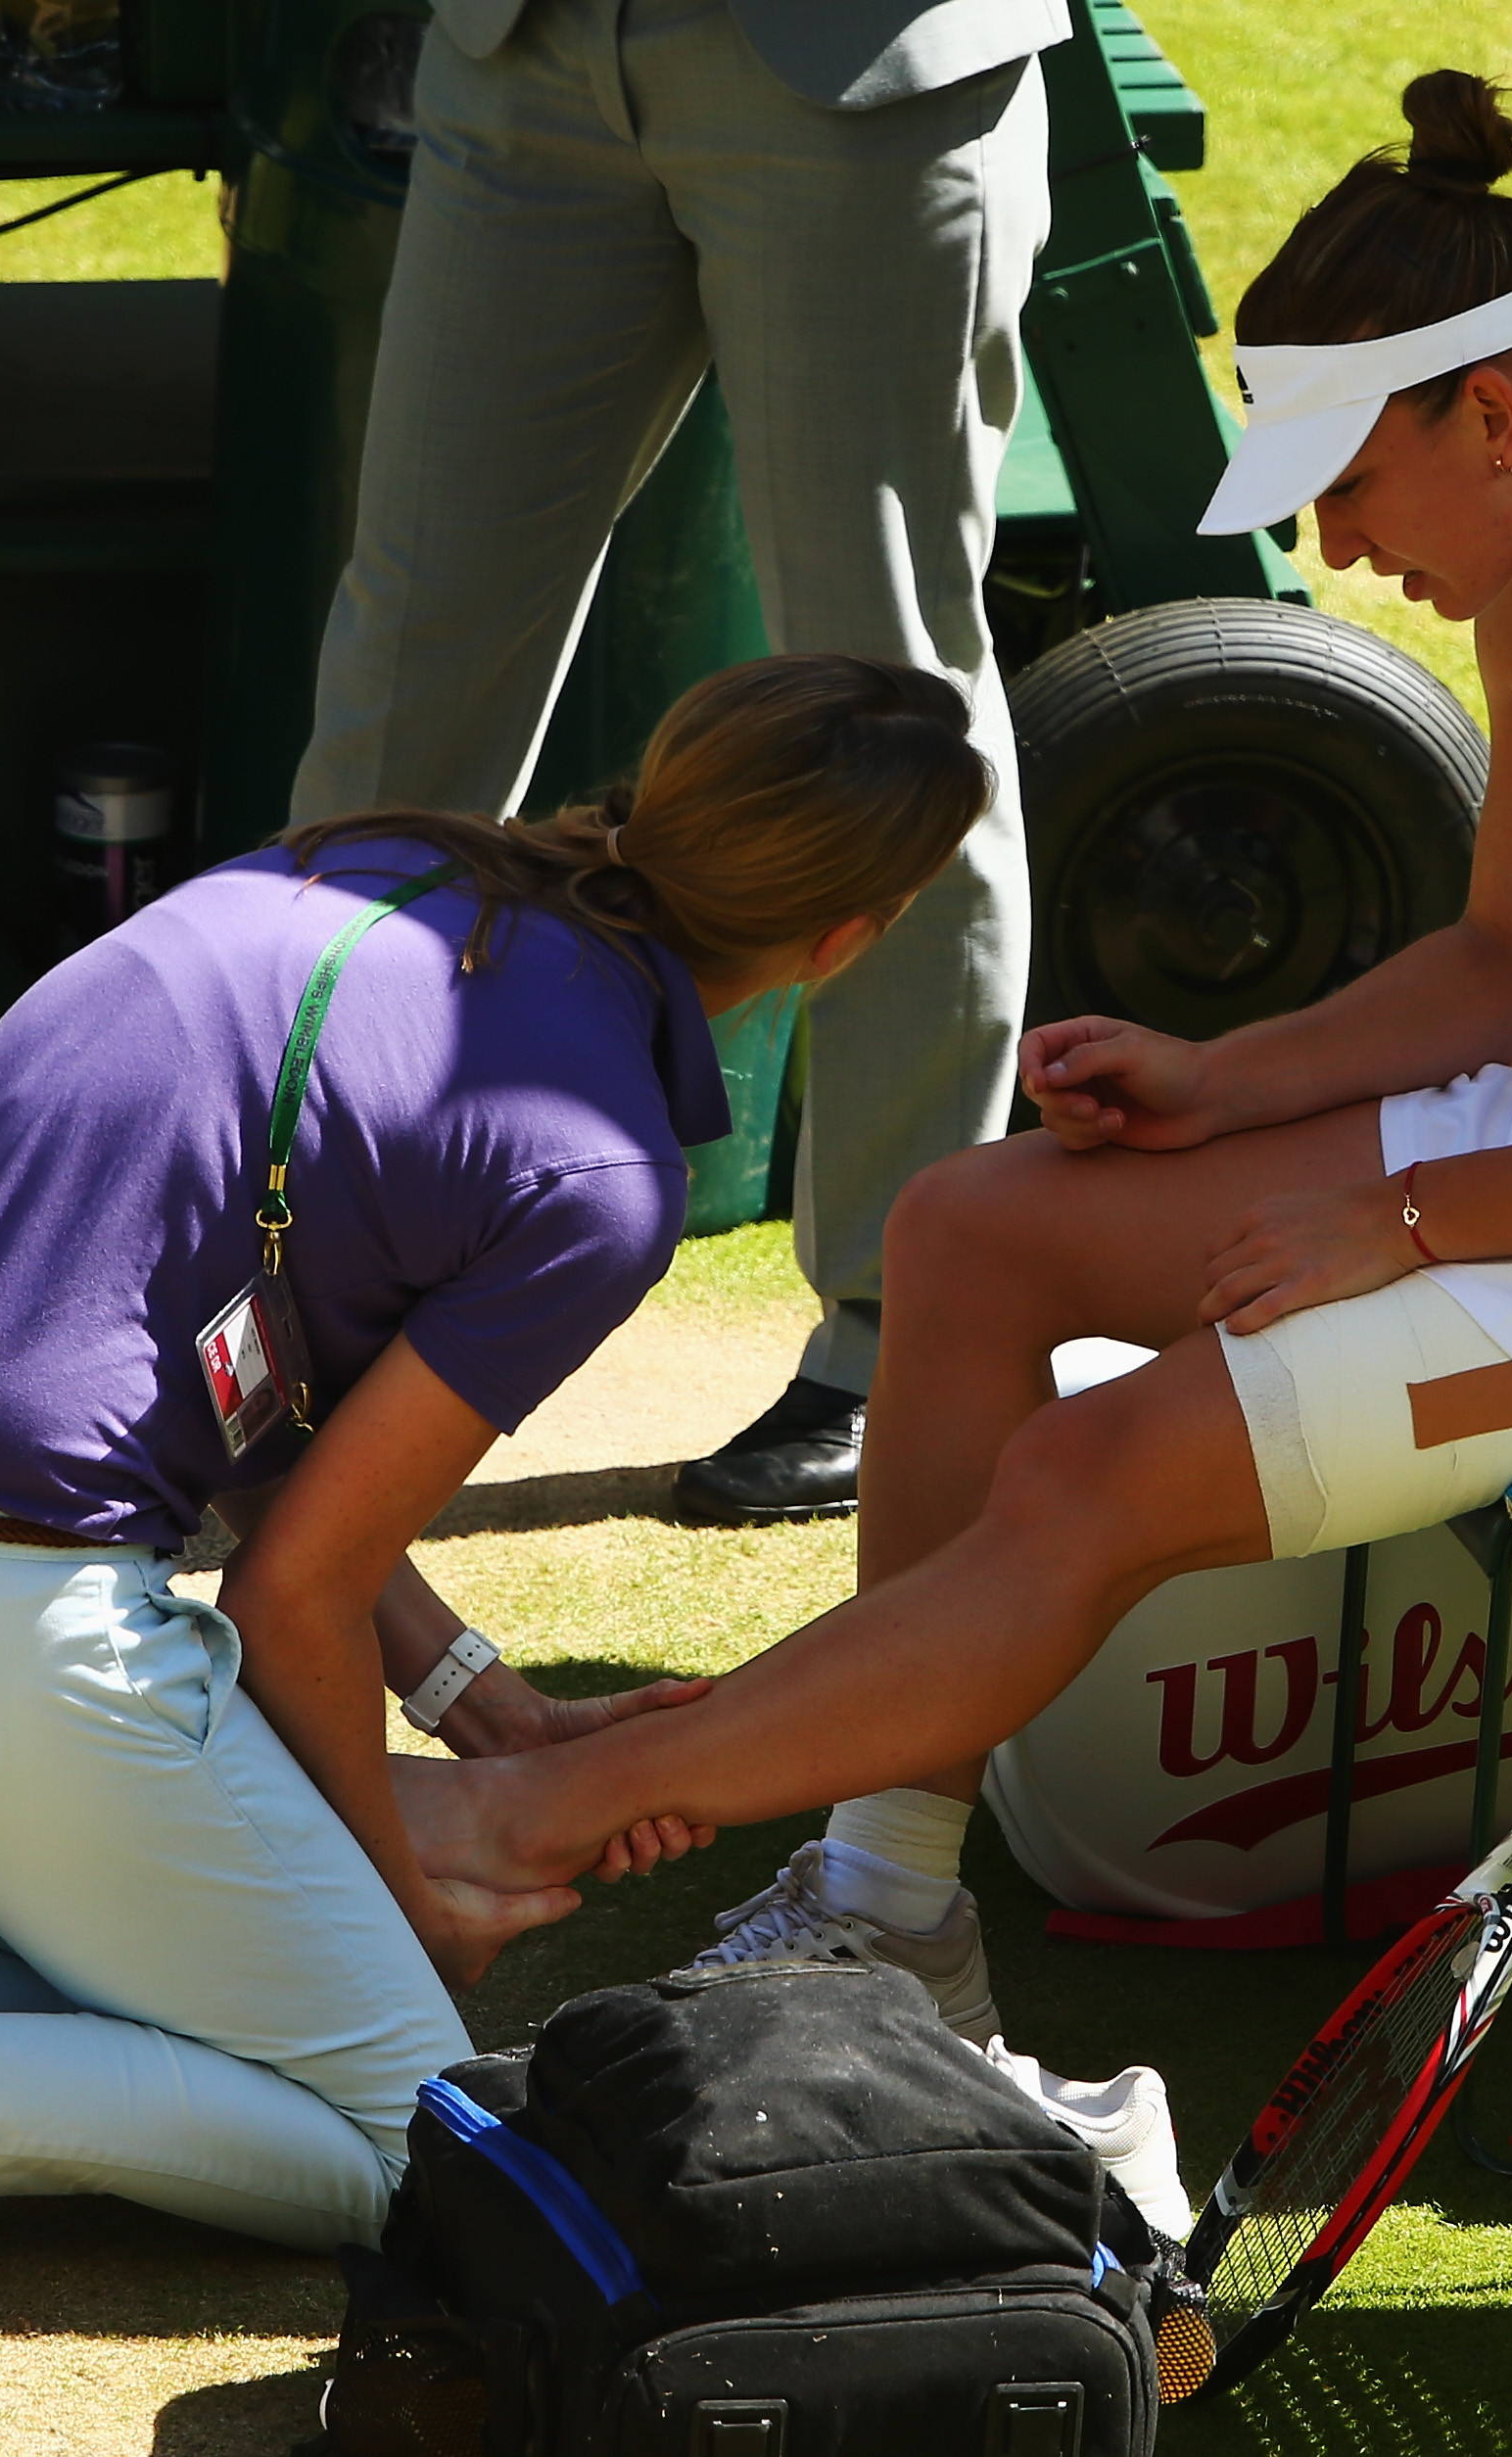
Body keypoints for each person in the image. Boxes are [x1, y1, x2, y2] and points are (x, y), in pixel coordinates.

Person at [394, 72, 1512, 2032]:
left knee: (1088, 1473)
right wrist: (1226, 1078)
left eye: (1347, 481)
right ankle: (890, 1899)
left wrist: (1396, 1220)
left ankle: (544, 1814)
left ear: (1488, 416)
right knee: (969, 1228)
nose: (1333, 541)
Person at [0, 653, 989, 2334]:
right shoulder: (598, 1165)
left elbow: (259, 1409)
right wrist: (396, 1878)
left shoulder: (372, 856)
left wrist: (476, 1707)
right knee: (428, 2138)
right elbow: (293, 1591)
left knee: (141, 1957)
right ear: (850, 936)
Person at [293, 0, 1067, 1526]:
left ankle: (892, 1340)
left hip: (857, 61)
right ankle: (286, 1251)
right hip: (525, 51)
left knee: (896, 711)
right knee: (407, 663)